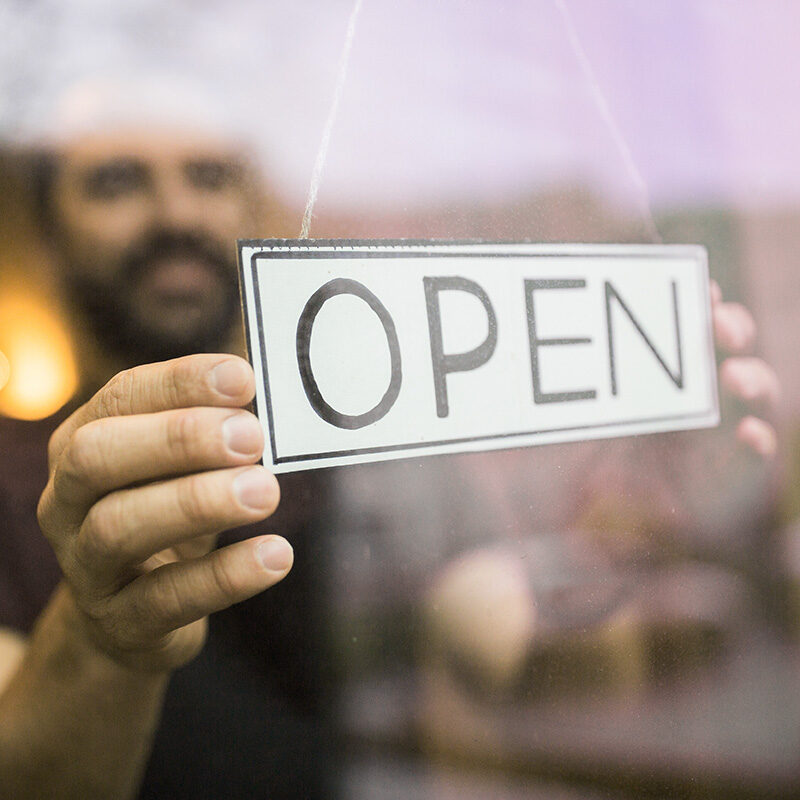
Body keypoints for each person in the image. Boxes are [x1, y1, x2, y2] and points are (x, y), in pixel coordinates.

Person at [0, 119, 781, 798]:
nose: (176, 214)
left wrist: (659, 514)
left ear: (250, 205)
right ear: (47, 228)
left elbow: (491, 635)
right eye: (116, 181)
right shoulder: (10, 479)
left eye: (209, 176)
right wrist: (105, 636)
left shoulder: (358, 441)